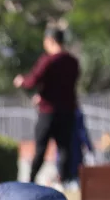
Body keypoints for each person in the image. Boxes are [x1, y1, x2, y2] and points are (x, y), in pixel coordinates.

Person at [15, 27, 80, 186]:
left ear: (50, 41)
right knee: (64, 147)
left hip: (48, 111)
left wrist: (21, 81)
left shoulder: (48, 60)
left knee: (41, 148)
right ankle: (64, 181)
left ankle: (31, 180)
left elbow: (32, 81)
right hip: (68, 110)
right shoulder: (73, 62)